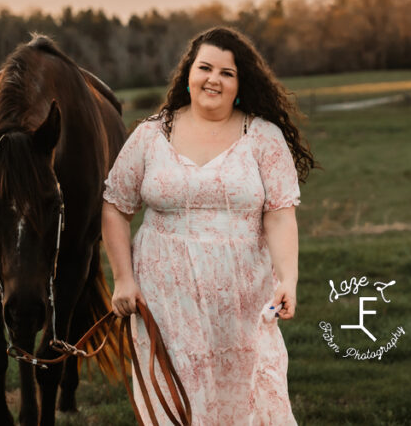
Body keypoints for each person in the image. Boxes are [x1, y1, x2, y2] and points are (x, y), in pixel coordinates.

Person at [102, 26, 316, 425]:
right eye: (205, 68)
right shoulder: (151, 134)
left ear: (240, 84)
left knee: (246, 393)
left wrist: (288, 279)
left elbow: (280, 213)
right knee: (174, 396)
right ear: (188, 74)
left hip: (243, 298)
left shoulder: (263, 137)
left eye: (227, 73)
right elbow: (115, 206)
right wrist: (123, 279)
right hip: (165, 299)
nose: (213, 79)